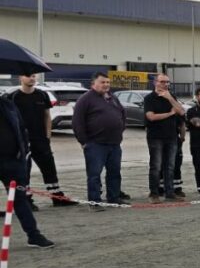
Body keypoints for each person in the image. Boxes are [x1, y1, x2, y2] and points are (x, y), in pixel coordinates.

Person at [10, 75, 78, 208]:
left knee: (49, 168)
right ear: (20, 78)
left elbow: (47, 116)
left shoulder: (42, 95)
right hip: (22, 141)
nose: (32, 78)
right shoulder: (13, 97)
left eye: (34, 76)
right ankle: (26, 199)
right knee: (24, 170)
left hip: (41, 139)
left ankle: (57, 196)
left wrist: (47, 135)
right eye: (28, 76)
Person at [0, 90, 54, 247]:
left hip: (12, 161)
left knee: (20, 199)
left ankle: (34, 235)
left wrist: (23, 152)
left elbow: (21, 129)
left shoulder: (8, 104)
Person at [71, 71, 128, 212]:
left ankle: (114, 198)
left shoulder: (113, 98)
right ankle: (95, 201)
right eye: (103, 82)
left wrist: (119, 130)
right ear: (93, 84)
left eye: (108, 82)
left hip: (114, 144)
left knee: (115, 173)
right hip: (95, 144)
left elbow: (122, 115)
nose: (106, 85)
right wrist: (84, 141)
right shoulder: (85, 99)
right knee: (94, 174)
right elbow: (77, 122)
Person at [143, 74, 187, 203]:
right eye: (162, 82)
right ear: (155, 83)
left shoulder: (171, 96)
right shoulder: (149, 98)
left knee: (170, 166)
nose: (166, 84)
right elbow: (151, 117)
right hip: (155, 137)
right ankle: (154, 194)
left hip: (171, 136)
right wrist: (170, 113)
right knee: (156, 166)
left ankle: (170, 193)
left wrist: (170, 99)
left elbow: (182, 112)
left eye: (168, 82)